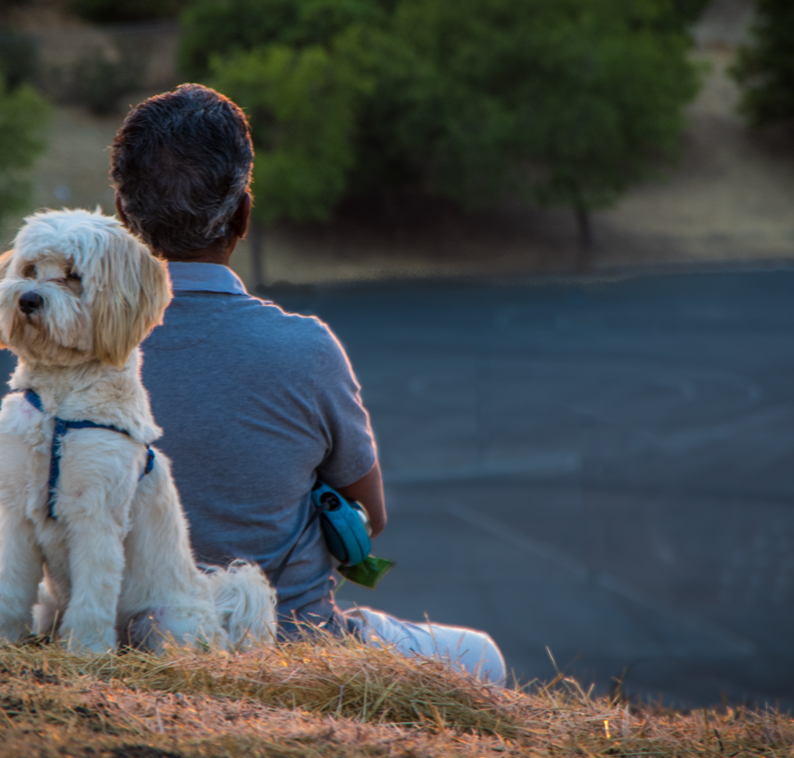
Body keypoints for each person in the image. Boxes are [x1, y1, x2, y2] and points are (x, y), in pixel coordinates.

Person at [109, 83, 506, 684]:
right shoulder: (306, 350)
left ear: (122, 217)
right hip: (293, 648)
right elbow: (368, 520)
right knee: (483, 658)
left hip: (130, 644)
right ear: (242, 214)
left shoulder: (81, 353)